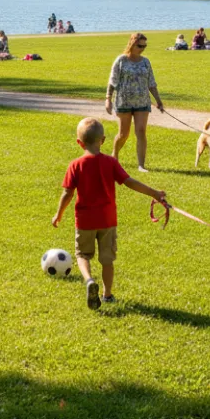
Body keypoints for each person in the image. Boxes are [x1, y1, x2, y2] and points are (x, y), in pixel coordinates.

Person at [52, 117, 167, 310]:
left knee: (82, 255)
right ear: (103, 140)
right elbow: (130, 182)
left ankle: (89, 280)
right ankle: (107, 295)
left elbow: (68, 193)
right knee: (107, 261)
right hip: (107, 220)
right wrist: (154, 192)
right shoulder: (110, 162)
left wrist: (59, 214)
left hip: (85, 221)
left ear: (79, 143)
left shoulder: (76, 165)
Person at [107, 33, 166, 173]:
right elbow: (112, 80)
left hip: (142, 102)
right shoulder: (121, 60)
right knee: (123, 134)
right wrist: (108, 98)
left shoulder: (145, 62)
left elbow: (151, 83)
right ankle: (114, 156)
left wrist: (158, 101)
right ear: (132, 44)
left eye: (145, 46)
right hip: (124, 102)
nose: (142, 49)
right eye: (140, 46)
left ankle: (141, 165)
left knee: (141, 132)